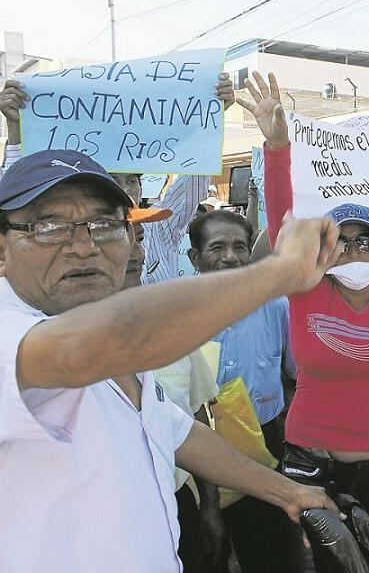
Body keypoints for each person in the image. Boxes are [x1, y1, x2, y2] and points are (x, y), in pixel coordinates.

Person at [0, 149, 341, 572]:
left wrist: (287, 492)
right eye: (49, 227)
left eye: (105, 224)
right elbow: (78, 351)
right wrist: (279, 271)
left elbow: (178, 434)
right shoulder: (11, 333)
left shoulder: (122, 349)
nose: (84, 247)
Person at [237, 71, 369, 548]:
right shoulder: (307, 285)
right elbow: (281, 224)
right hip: (308, 466)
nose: (355, 249)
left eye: (368, 240)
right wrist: (277, 145)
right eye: (344, 239)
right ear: (325, 247)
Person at [0, 75, 235, 285]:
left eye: (131, 180)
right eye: (108, 230)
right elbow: (19, 203)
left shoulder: (159, 225)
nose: (124, 189)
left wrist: (210, 117)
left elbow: (191, 183)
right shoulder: (75, 235)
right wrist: (15, 129)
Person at [187, 208, 296, 573]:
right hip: (192, 448)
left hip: (263, 446)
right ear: (195, 256)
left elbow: (295, 373)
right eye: (217, 247)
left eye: (239, 246)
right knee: (205, 550)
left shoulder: (276, 306)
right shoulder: (174, 312)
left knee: (271, 553)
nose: (230, 256)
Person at [124, 212, 226, 573]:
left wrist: (210, 506)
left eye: (138, 236)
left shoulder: (171, 322)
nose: (134, 250)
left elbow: (196, 418)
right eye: (117, 233)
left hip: (180, 499)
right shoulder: (37, 342)